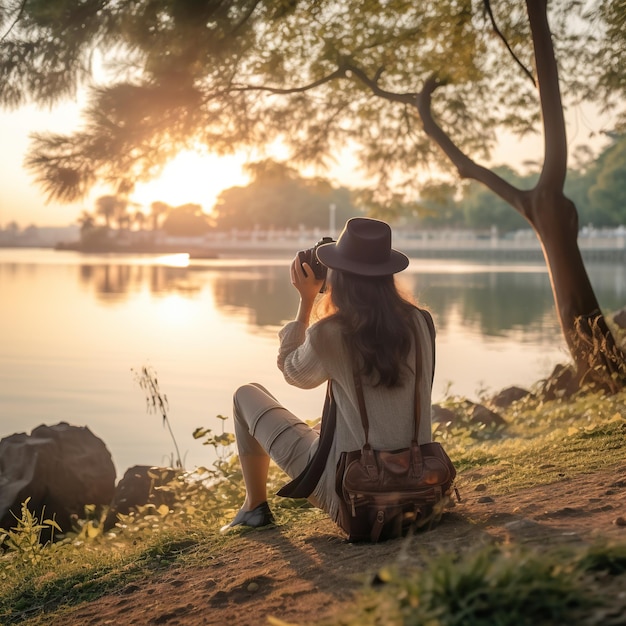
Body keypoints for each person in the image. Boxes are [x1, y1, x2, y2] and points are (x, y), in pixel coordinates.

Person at [222, 217, 435, 532]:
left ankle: (254, 507)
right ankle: (255, 506)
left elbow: (293, 371)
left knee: (246, 394)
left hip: (355, 497)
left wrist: (306, 302)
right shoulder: (421, 322)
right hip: (420, 492)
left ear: (339, 276)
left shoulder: (331, 332)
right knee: (322, 427)